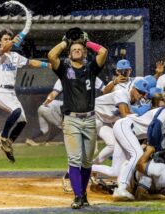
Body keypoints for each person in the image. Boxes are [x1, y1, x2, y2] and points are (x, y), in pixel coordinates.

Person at [48, 29, 108, 209]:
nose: (77, 51)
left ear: (84, 53)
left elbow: (103, 52)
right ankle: (77, 196)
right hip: (71, 120)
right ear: (68, 53)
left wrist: (86, 42)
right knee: (75, 159)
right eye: (73, 49)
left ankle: (83, 193)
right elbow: (51, 55)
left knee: (87, 161)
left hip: (89, 120)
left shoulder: (91, 69)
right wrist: (66, 42)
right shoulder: (64, 69)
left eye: (80, 50)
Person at [0, 29, 51, 163]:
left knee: (22, 121)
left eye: (9, 39)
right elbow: (4, 49)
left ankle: (8, 144)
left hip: (12, 93)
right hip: (0, 92)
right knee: (17, 111)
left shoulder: (15, 56)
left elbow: (31, 62)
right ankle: (3, 135)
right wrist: (12, 41)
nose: (7, 41)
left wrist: (48, 65)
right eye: (5, 39)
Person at [25, 77, 105, 146]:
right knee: (61, 125)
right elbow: (64, 108)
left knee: (44, 129)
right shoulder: (70, 101)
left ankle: (30, 139)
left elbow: (55, 98)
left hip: (42, 107)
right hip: (48, 108)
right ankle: (51, 141)